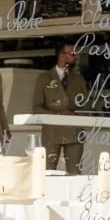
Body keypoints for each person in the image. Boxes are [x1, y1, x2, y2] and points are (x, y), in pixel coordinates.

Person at [33, 42, 88, 173]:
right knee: (47, 172)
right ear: (62, 55)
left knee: (75, 173)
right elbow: (36, 108)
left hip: (74, 131)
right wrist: (58, 116)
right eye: (73, 54)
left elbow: (86, 105)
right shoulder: (44, 78)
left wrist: (75, 114)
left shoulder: (78, 79)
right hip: (52, 131)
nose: (76, 57)